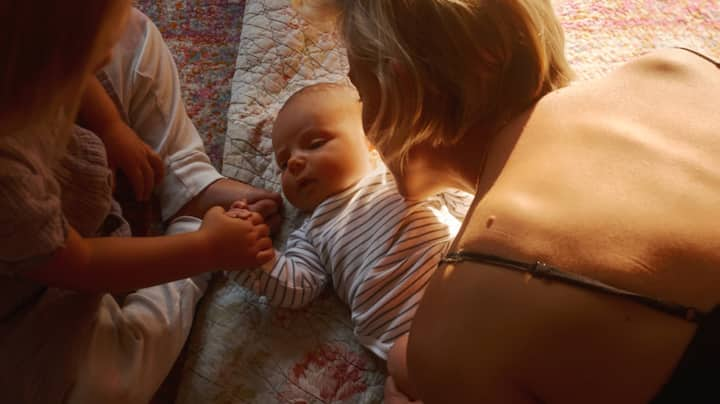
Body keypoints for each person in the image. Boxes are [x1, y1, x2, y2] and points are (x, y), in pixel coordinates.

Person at [296, 0, 720, 403]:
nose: (366, 133)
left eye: (363, 94)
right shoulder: (675, 67)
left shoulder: (451, 336)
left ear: (402, 85)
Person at [0, 1, 283, 403]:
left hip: (49, 153)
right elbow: (82, 264)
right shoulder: (8, 184)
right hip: (32, 291)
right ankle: (191, 233)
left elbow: (69, 62)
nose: (107, 57)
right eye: (92, 58)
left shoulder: (26, 53)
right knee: (105, 387)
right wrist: (205, 250)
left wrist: (110, 125)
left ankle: (189, 182)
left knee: (132, 31)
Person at [227, 82, 470, 401]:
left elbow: (459, 185)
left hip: (463, 290)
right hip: (409, 339)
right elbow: (296, 288)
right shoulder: (311, 232)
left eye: (314, 143)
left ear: (372, 140)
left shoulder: (396, 174)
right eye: (284, 164)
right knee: (399, 378)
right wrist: (250, 257)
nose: (296, 163)